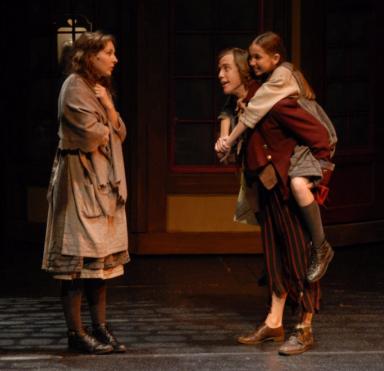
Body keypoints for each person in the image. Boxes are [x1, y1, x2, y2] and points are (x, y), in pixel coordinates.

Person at [215, 47, 332, 355]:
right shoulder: (244, 103)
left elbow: (320, 135)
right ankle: (274, 321)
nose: (221, 75)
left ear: (243, 71)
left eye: (226, 68)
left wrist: (308, 173)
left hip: (284, 192)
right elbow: (229, 114)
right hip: (264, 193)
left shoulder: (273, 103)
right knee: (274, 261)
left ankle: (304, 327)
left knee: (299, 259)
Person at [42, 31, 129, 355]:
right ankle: (75, 332)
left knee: (100, 261)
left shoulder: (99, 89)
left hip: (102, 183)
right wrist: (109, 122)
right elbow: (97, 136)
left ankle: (100, 327)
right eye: (109, 52)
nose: (114, 58)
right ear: (90, 56)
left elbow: (121, 131)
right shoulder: (74, 87)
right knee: (76, 261)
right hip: (79, 181)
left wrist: (107, 105)